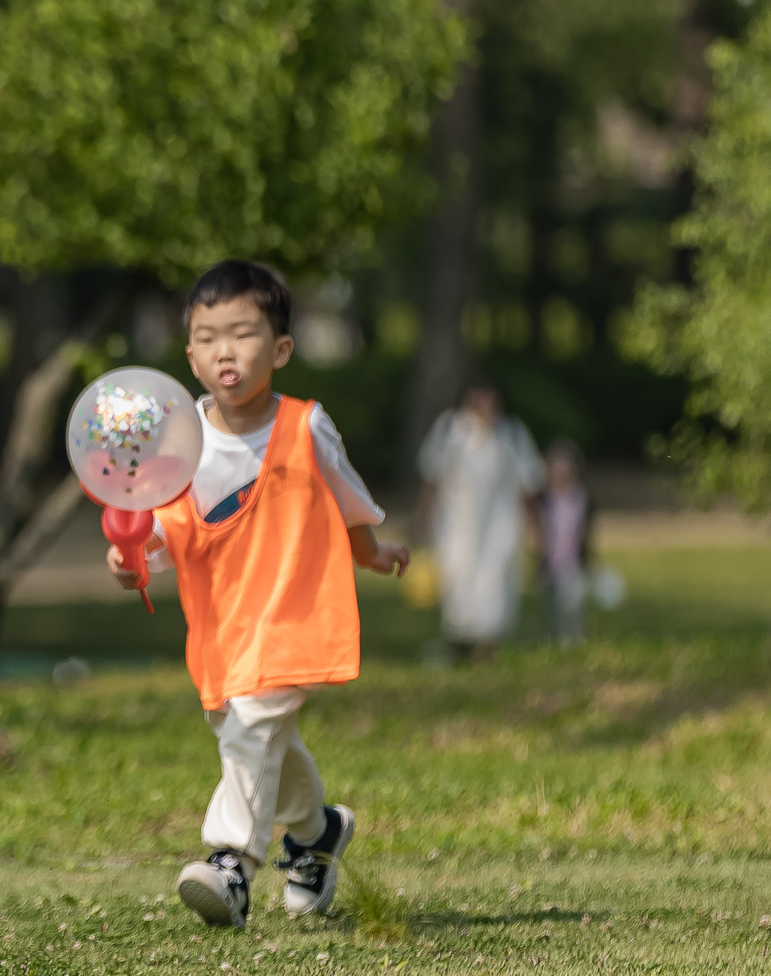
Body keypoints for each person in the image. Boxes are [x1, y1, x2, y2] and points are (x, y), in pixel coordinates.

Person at [108, 260, 408, 930]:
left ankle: (230, 863)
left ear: (280, 348)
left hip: (292, 616)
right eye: (208, 336)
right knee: (253, 735)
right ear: (189, 354)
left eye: (242, 334)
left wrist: (375, 555)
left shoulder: (306, 426)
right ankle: (317, 829)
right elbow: (156, 526)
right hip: (221, 626)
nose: (225, 350)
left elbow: (349, 505)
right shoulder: (178, 437)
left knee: (251, 731)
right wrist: (130, 563)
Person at [416, 380, 543, 658]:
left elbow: (527, 485)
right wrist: (422, 520)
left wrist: (536, 529)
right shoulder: (450, 430)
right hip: (457, 524)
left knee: (495, 581)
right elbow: (432, 478)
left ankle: (488, 647)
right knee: (458, 578)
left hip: (501, 524)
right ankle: (459, 641)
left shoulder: (512, 434)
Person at [531, 438, 593, 647]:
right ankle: (550, 641)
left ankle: (574, 641)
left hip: (573, 564)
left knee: (572, 607)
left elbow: (586, 533)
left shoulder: (581, 498)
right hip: (549, 565)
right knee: (550, 609)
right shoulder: (542, 499)